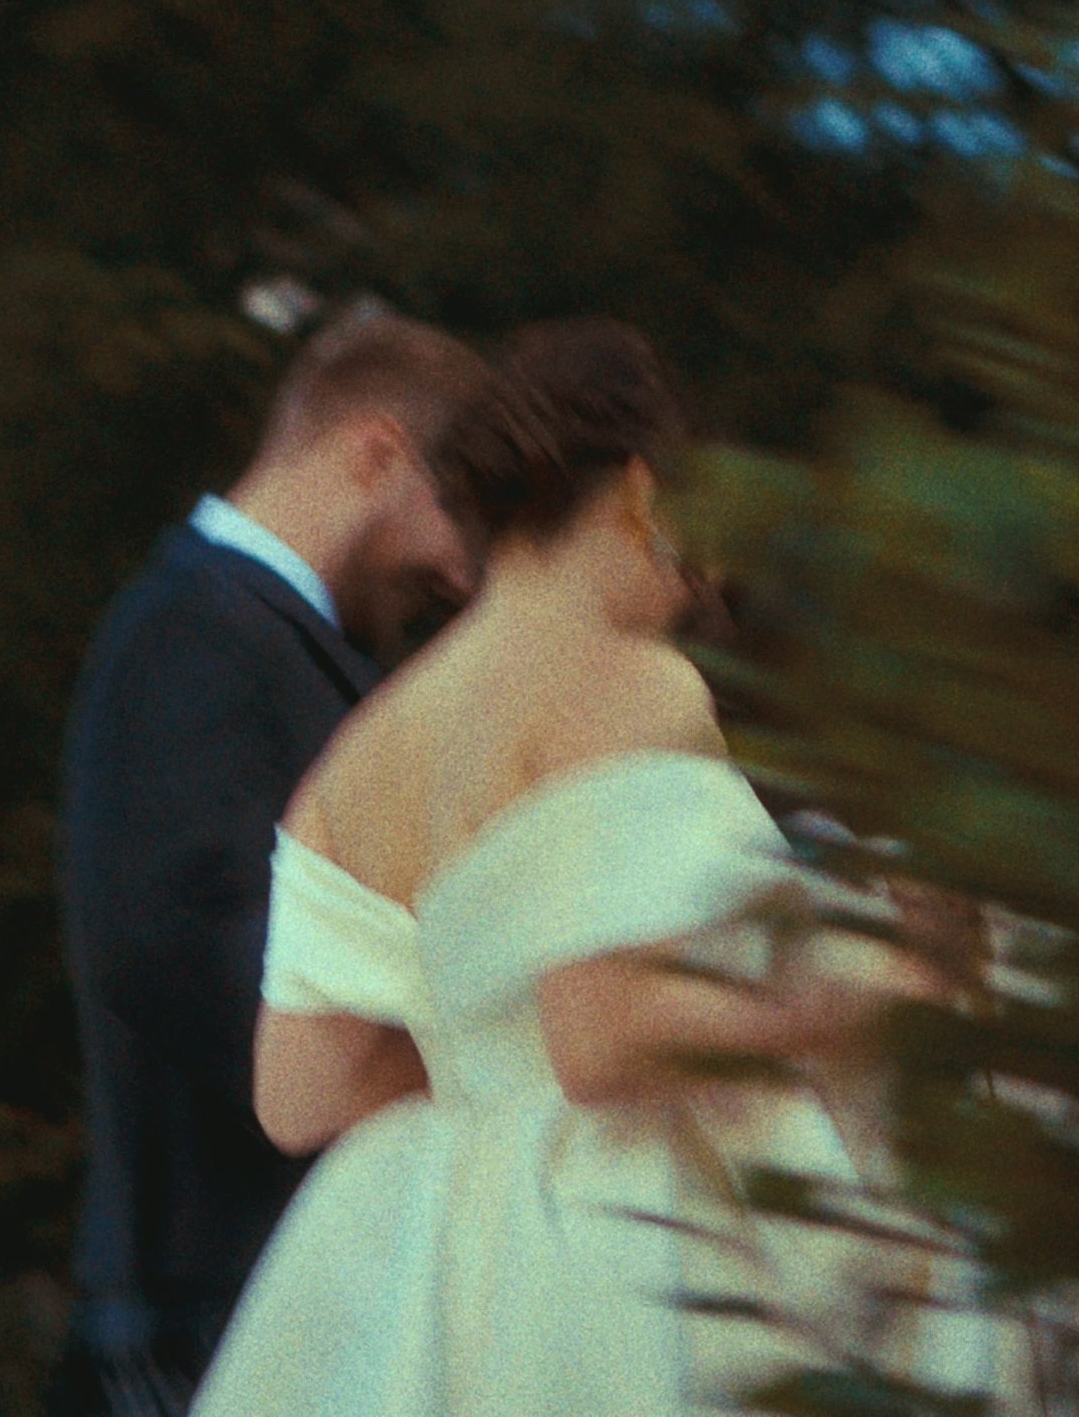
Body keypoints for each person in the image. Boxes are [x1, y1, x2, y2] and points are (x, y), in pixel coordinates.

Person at [190, 319, 903, 1416]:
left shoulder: (352, 762)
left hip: (441, 1280)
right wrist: (842, 998)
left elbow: (299, 1094)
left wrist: (489, 1043)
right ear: (640, 494)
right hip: (632, 1261)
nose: (700, 585)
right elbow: (603, 1039)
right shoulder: (632, 685)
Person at [49, 308, 491, 1417]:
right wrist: (459, 1034)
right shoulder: (193, 631)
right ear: (377, 453)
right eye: (461, 514)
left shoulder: (265, 637)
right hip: (209, 1310)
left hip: (270, 1296)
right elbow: (175, 945)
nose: (464, 572)